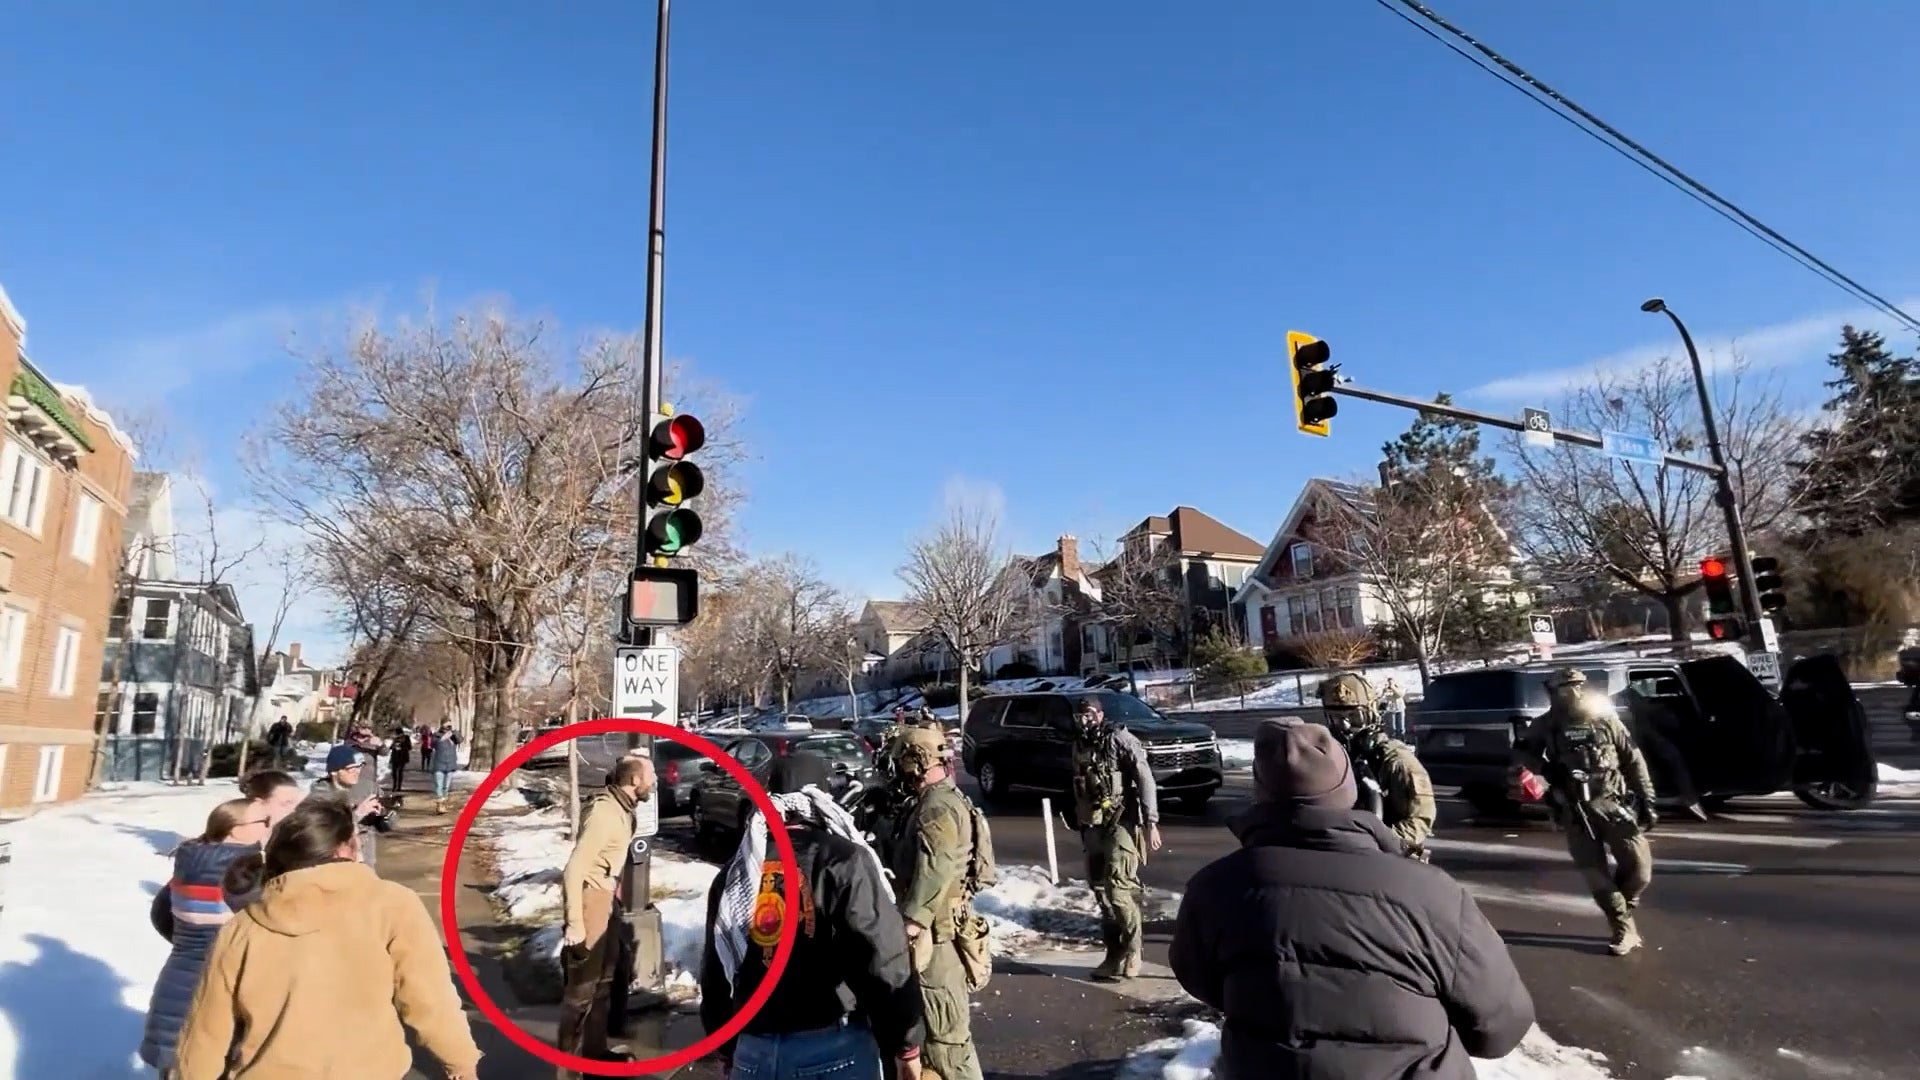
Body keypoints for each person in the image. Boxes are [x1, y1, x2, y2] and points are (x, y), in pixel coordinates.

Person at [1170, 720, 1534, 1079]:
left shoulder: (1214, 888)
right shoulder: (1430, 892)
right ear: (1348, 789)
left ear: (1261, 792)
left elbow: (1200, 979)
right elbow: (1500, 1028)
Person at [172, 797, 482, 1080]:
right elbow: (430, 999)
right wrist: (461, 1063)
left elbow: (206, 1030)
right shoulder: (392, 905)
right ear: (349, 847)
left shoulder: (243, 927)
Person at [701, 752, 926, 1080]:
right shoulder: (844, 860)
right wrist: (906, 1043)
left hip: (753, 1050)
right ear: (823, 798)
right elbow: (882, 956)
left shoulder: (737, 871)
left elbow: (716, 971)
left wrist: (726, 1047)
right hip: (832, 1046)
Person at [1513, 667, 1659, 956]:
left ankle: (1623, 909)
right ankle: (1622, 928)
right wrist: (1545, 768)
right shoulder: (1547, 725)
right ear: (1554, 693)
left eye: (1578, 685)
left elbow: (1633, 759)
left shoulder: (1605, 719)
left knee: (1640, 871)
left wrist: (1647, 799)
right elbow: (1521, 752)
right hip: (1575, 811)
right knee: (1595, 875)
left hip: (1614, 804)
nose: (1573, 692)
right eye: (1565, 688)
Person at [881, 726, 989, 1080]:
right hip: (940, 931)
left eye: (903, 762)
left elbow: (937, 865)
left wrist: (912, 921)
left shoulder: (937, 807)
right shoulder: (938, 800)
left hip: (937, 940)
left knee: (946, 1045)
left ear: (918, 761)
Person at [140, 799, 275, 1077]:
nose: (269, 828)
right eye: (264, 822)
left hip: (177, 981)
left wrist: (188, 945)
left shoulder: (191, 860)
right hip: (218, 988)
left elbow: (161, 914)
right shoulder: (242, 870)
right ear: (234, 829)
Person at [555, 754, 655, 1078]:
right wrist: (575, 923)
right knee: (580, 992)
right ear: (635, 781)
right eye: (650, 775)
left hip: (606, 900)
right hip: (589, 902)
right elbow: (574, 869)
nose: (654, 781)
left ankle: (595, 1055)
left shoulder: (623, 808)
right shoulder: (605, 812)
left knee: (603, 984)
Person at [1068, 696, 1161, 981]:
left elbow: (1144, 776)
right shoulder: (1080, 745)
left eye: (1090, 714)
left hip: (1122, 820)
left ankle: (1134, 949)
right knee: (1100, 892)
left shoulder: (1119, 738)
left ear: (1100, 714)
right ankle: (1114, 952)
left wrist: (1151, 821)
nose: (1085, 720)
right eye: (1080, 715)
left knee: (1119, 891)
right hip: (1092, 824)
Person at [1317, 672, 1436, 859]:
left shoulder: (1397, 761)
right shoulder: (1327, 760)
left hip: (1390, 863)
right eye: (1336, 718)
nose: (1345, 726)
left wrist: (1375, 844)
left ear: (1372, 714)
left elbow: (1419, 821)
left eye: (1354, 717)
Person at [1617, 686, 1709, 822]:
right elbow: (1673, 726)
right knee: (1672, 762)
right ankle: (1688, 800)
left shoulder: (1627, 704)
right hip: (1644, 745)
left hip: (1638, 744)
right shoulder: (1650, 708)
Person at [315, 744, 393, 870]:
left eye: (360, 766)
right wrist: (357, 813)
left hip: (365, 858)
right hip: (333, 862)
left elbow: (387, 823)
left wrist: (384, 816)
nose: (357, 771)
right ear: (334, 771)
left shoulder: (368, 787)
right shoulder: (320, 794)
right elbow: (323, 830)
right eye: (352, 768)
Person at [429, 722, 463, 813]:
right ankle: (440, 805)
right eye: (446, 724)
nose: (448, 726)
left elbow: (460, 740)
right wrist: (443, 737)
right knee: (439, 785)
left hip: (450, 764)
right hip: (439, 764)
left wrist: (454, 732)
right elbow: (432, 744)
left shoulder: (453, 736)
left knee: (446, 787)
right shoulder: (436, 735)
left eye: (449, 724)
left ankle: (443, 804)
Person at [387, 725, 413, 797]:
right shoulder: (395, 739)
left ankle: (398, 786)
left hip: (402, 757)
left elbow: (409, 747)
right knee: (395, 772)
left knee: (399, 772)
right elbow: (391, 747)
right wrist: (394, 746)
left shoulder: (406, 738)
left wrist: (401, 747)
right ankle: (395, 785)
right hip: (396, 757)